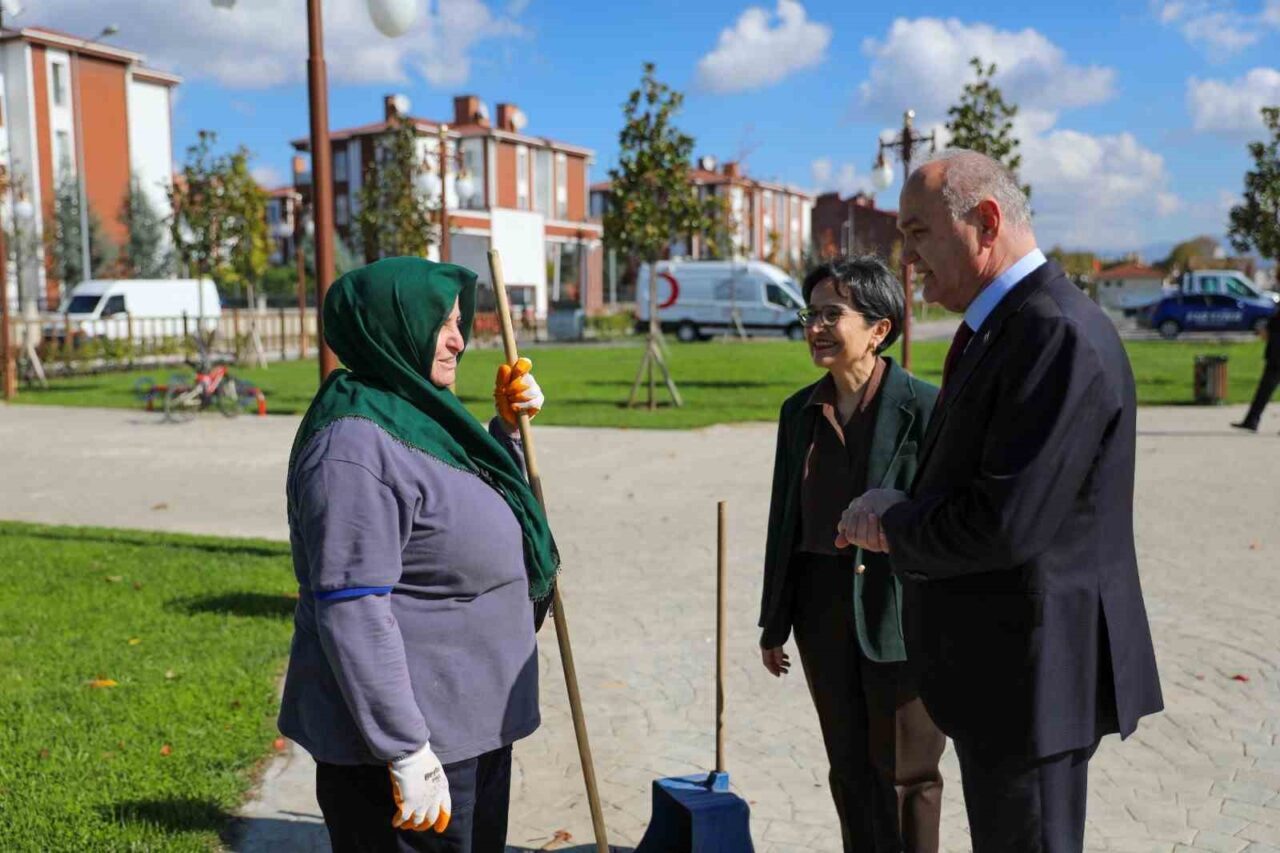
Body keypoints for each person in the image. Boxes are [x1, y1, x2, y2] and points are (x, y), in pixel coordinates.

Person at [838, 150, 1164, 852]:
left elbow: (1005, 523)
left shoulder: (1052, 332)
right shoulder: (1011, 324)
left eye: (918, 233)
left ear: (986, 223)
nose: (906, 260)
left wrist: (894, 523)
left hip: (1034, 682)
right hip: (1006, 677)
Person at [278, 257, 556, 852]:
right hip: (411, 748)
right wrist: (404, 748)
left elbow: (460, 500)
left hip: (471, 728)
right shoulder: (353, 446)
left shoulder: (416, 414)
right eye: (442, 324)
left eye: (459, 322)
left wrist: (507, 434)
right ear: (394, 325)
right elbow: (351, 606)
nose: (460, 340)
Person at [758, 256, 945, 852]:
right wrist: (774, 622)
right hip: (820, 613)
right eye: (810, 315)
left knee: (907, 775)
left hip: (901, 613)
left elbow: (947, 519)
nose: (815, 327)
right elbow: (784, 521)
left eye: (831, 315)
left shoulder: (929, 408)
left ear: (878, 329)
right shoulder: (798, 413)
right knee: (849, 769)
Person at [1232, 307, 1280, 432]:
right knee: (1264, 390)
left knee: (1264, 390)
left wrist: (1267, 330)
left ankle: (1252, 420)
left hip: (1276, 354)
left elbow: (1273, 326)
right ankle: (1251, 420)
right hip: (1275, 354)